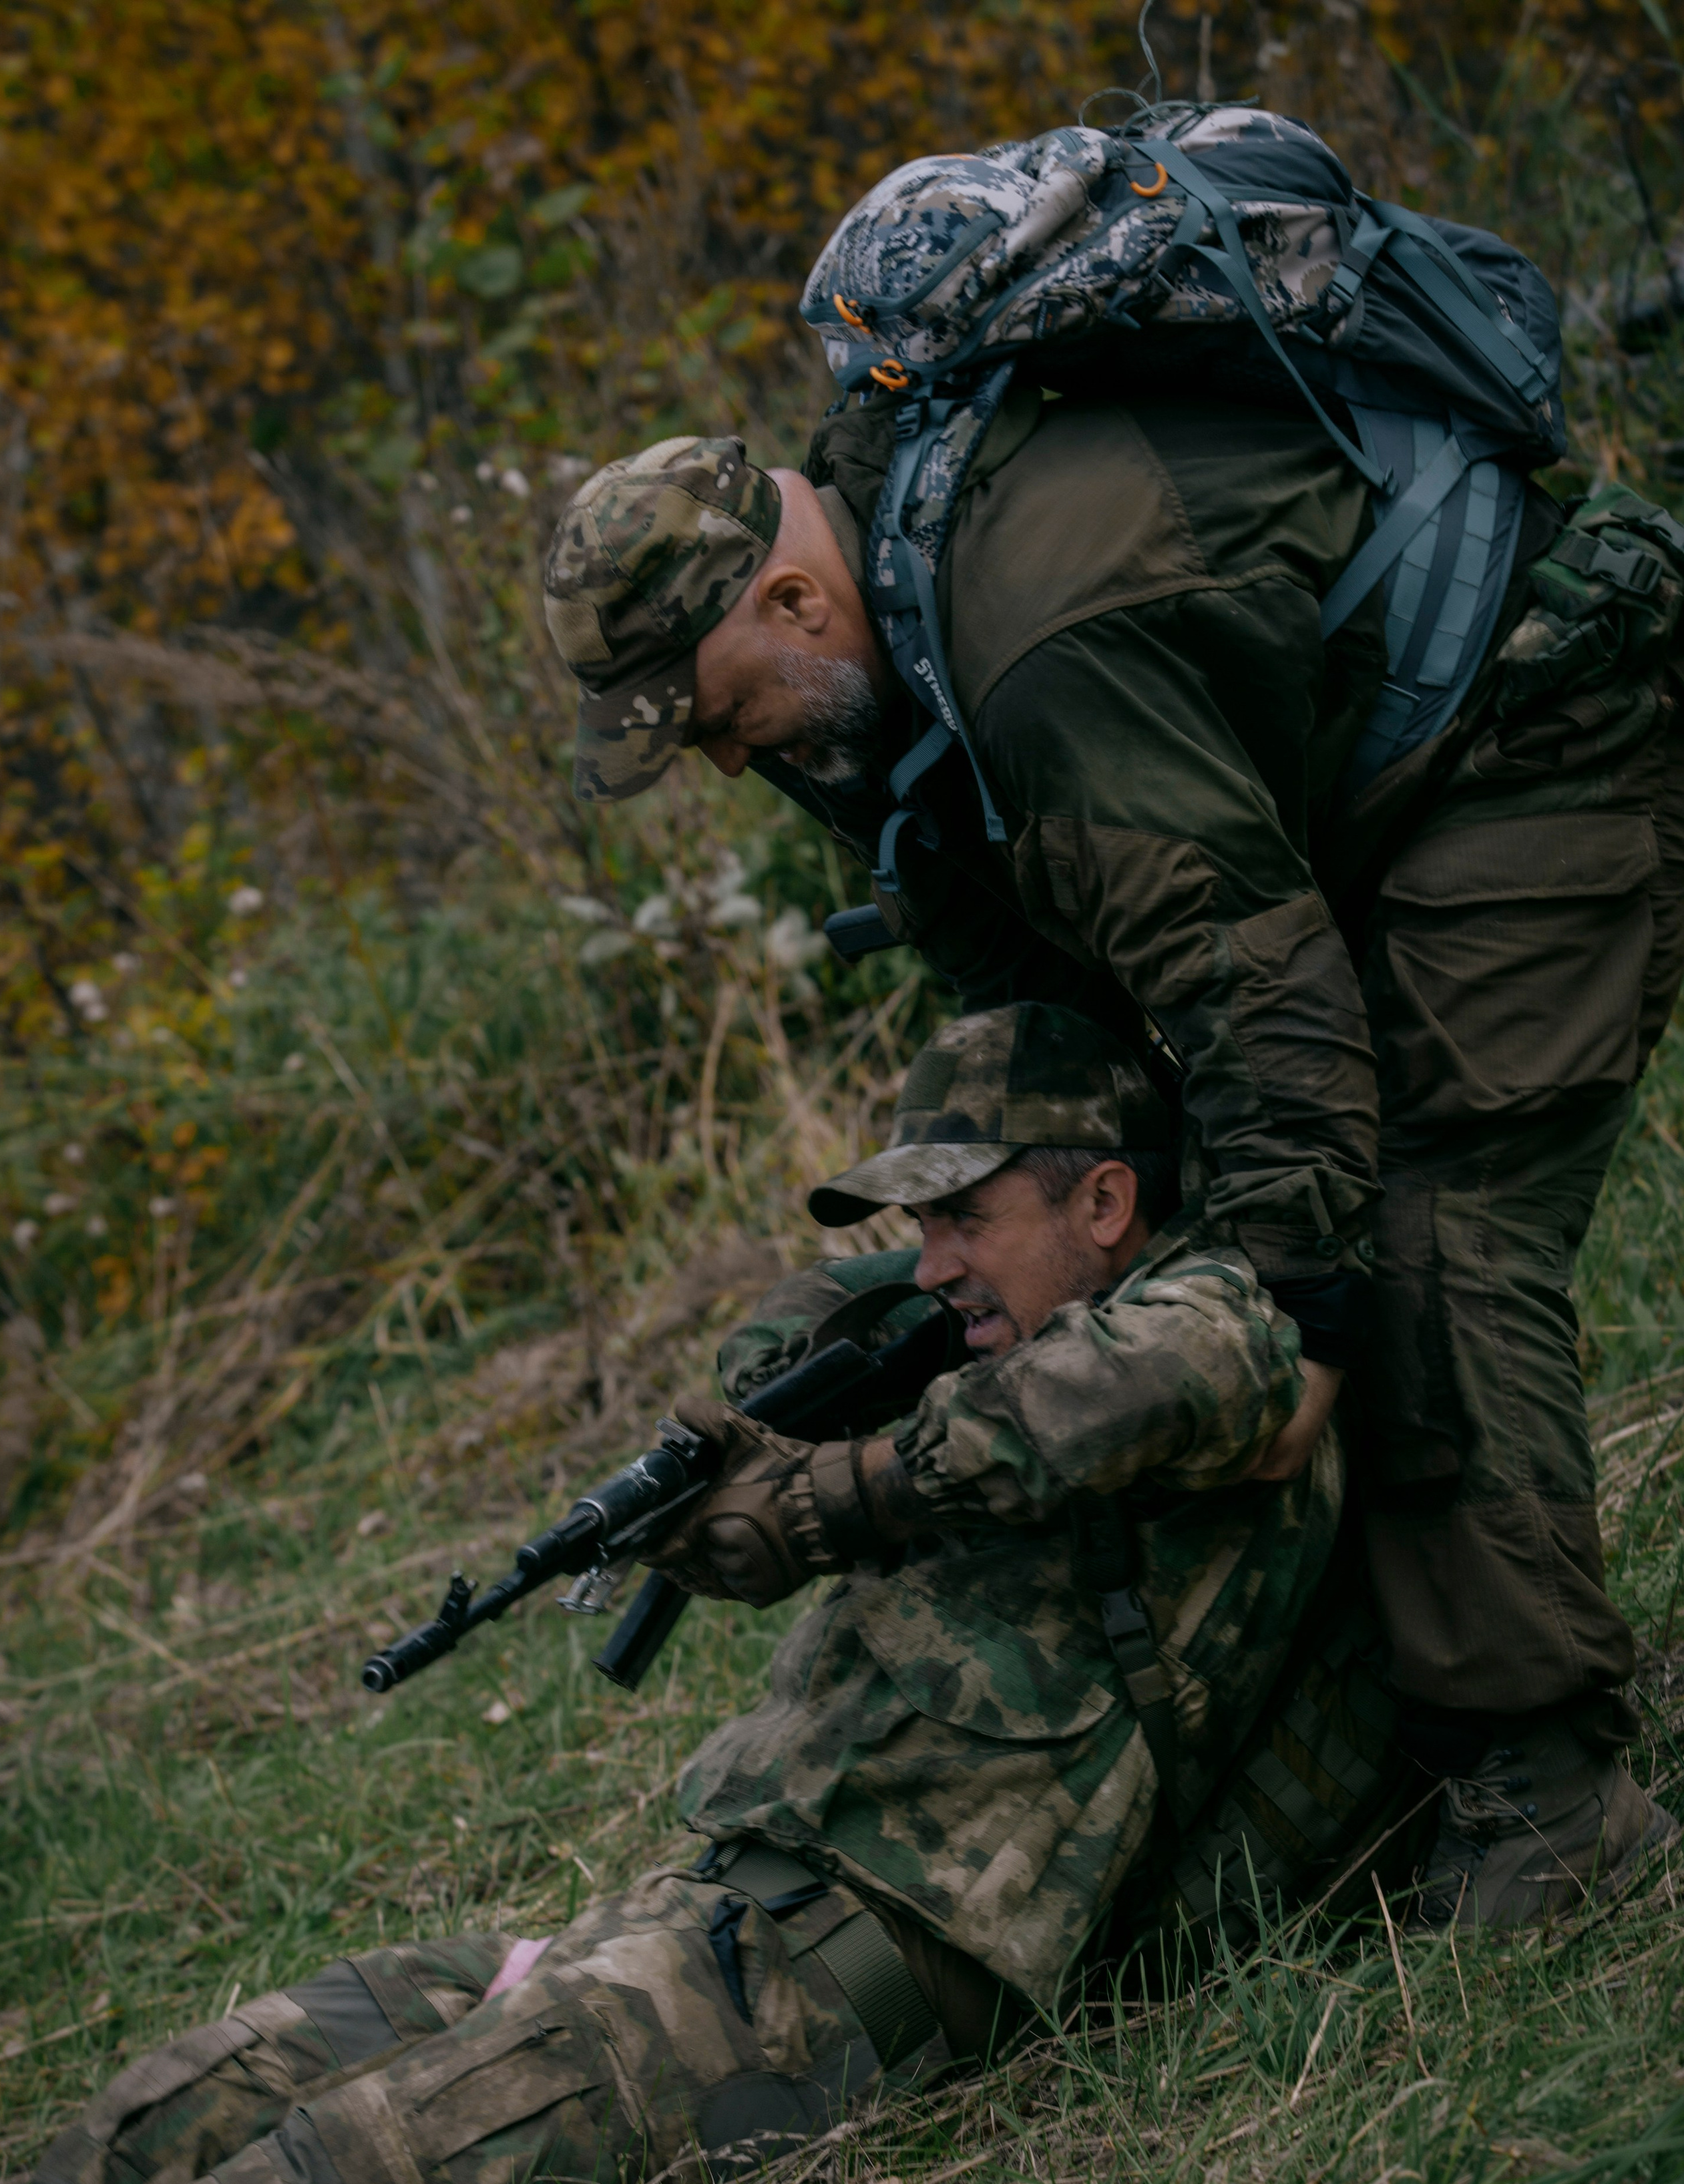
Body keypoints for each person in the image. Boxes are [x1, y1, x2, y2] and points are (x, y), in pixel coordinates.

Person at [0, 1004, 1422, 2184]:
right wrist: (798, 1398)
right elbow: (795, 1341)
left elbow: (1155, 1377)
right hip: (695, 1924)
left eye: (961, 1218)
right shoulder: (988, 1358)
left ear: (1105, 1200)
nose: (928, 1267)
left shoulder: (1217, 1342)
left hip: (829, 1986)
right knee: (197, 2091)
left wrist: (829, 1492)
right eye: (914, 1229)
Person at [542, 406, 1684, 1922]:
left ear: (792, 602)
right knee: (1238, 1217)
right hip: (1344, 799)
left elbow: (1254, 997)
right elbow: (1057, 1035)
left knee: (1409, 1239)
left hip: (1536, 730)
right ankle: (1394, 1695)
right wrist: (964, 1280)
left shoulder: (1031, 650)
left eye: (707, 716)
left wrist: (1282, 1329)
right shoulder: (878, 700)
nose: (720, 761)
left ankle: (1543, 1796)